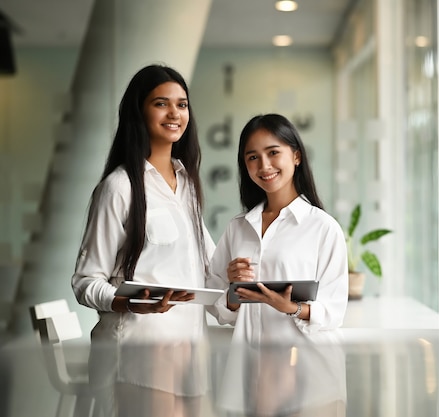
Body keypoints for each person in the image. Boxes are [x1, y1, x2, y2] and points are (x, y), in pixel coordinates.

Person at [71, 64, 216, 417]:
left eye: (182, 105)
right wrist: (132, 302)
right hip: (140, 353)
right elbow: (86, 282)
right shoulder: (119, 188)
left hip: (190, 352)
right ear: (139, 111)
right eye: (161, 103)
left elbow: (210, 270)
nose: (174, 114)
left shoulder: (188, 187)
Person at [206, 113, 349, 416]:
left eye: (273, 153)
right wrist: (233, 290)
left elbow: (334, 310)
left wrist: (291, 308)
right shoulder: (238, 228)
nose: (264, 166)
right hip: (254, 372)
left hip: (309, 371)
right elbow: (216, 302)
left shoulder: (323, 228)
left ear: (296, 156)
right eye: (253, 158)